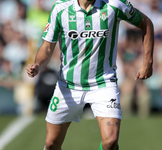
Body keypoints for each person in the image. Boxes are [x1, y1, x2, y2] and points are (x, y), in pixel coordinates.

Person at [26, 0, 154, 149]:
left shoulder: (114, 5)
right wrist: (38, 65)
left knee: (110, 141)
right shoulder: (61, 9)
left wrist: (147, 62)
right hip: (68, 85)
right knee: (51, 143)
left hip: (103, 84)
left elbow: (146, 23)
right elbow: (47, 47)